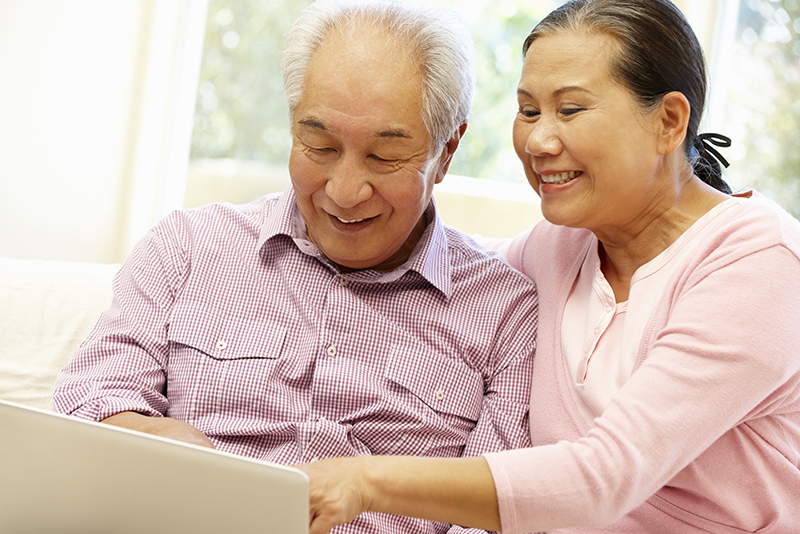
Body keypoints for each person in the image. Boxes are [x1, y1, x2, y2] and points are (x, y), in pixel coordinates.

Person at [300, 0, 800, 532]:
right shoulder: (561, 246)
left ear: (668, 122)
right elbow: (456, 270)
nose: (538, 141)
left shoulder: (761, 264)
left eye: (571, 109)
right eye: (529, 110)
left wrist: (364, 482)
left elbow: (603, 477)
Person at [53, 1, 539, 533]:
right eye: (320, 146)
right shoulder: (188, 247)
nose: (344, 192)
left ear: (447, 151)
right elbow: (92, 398)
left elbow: (500, 513)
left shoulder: (506, 315)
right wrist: (145, 435)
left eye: (383, 157)